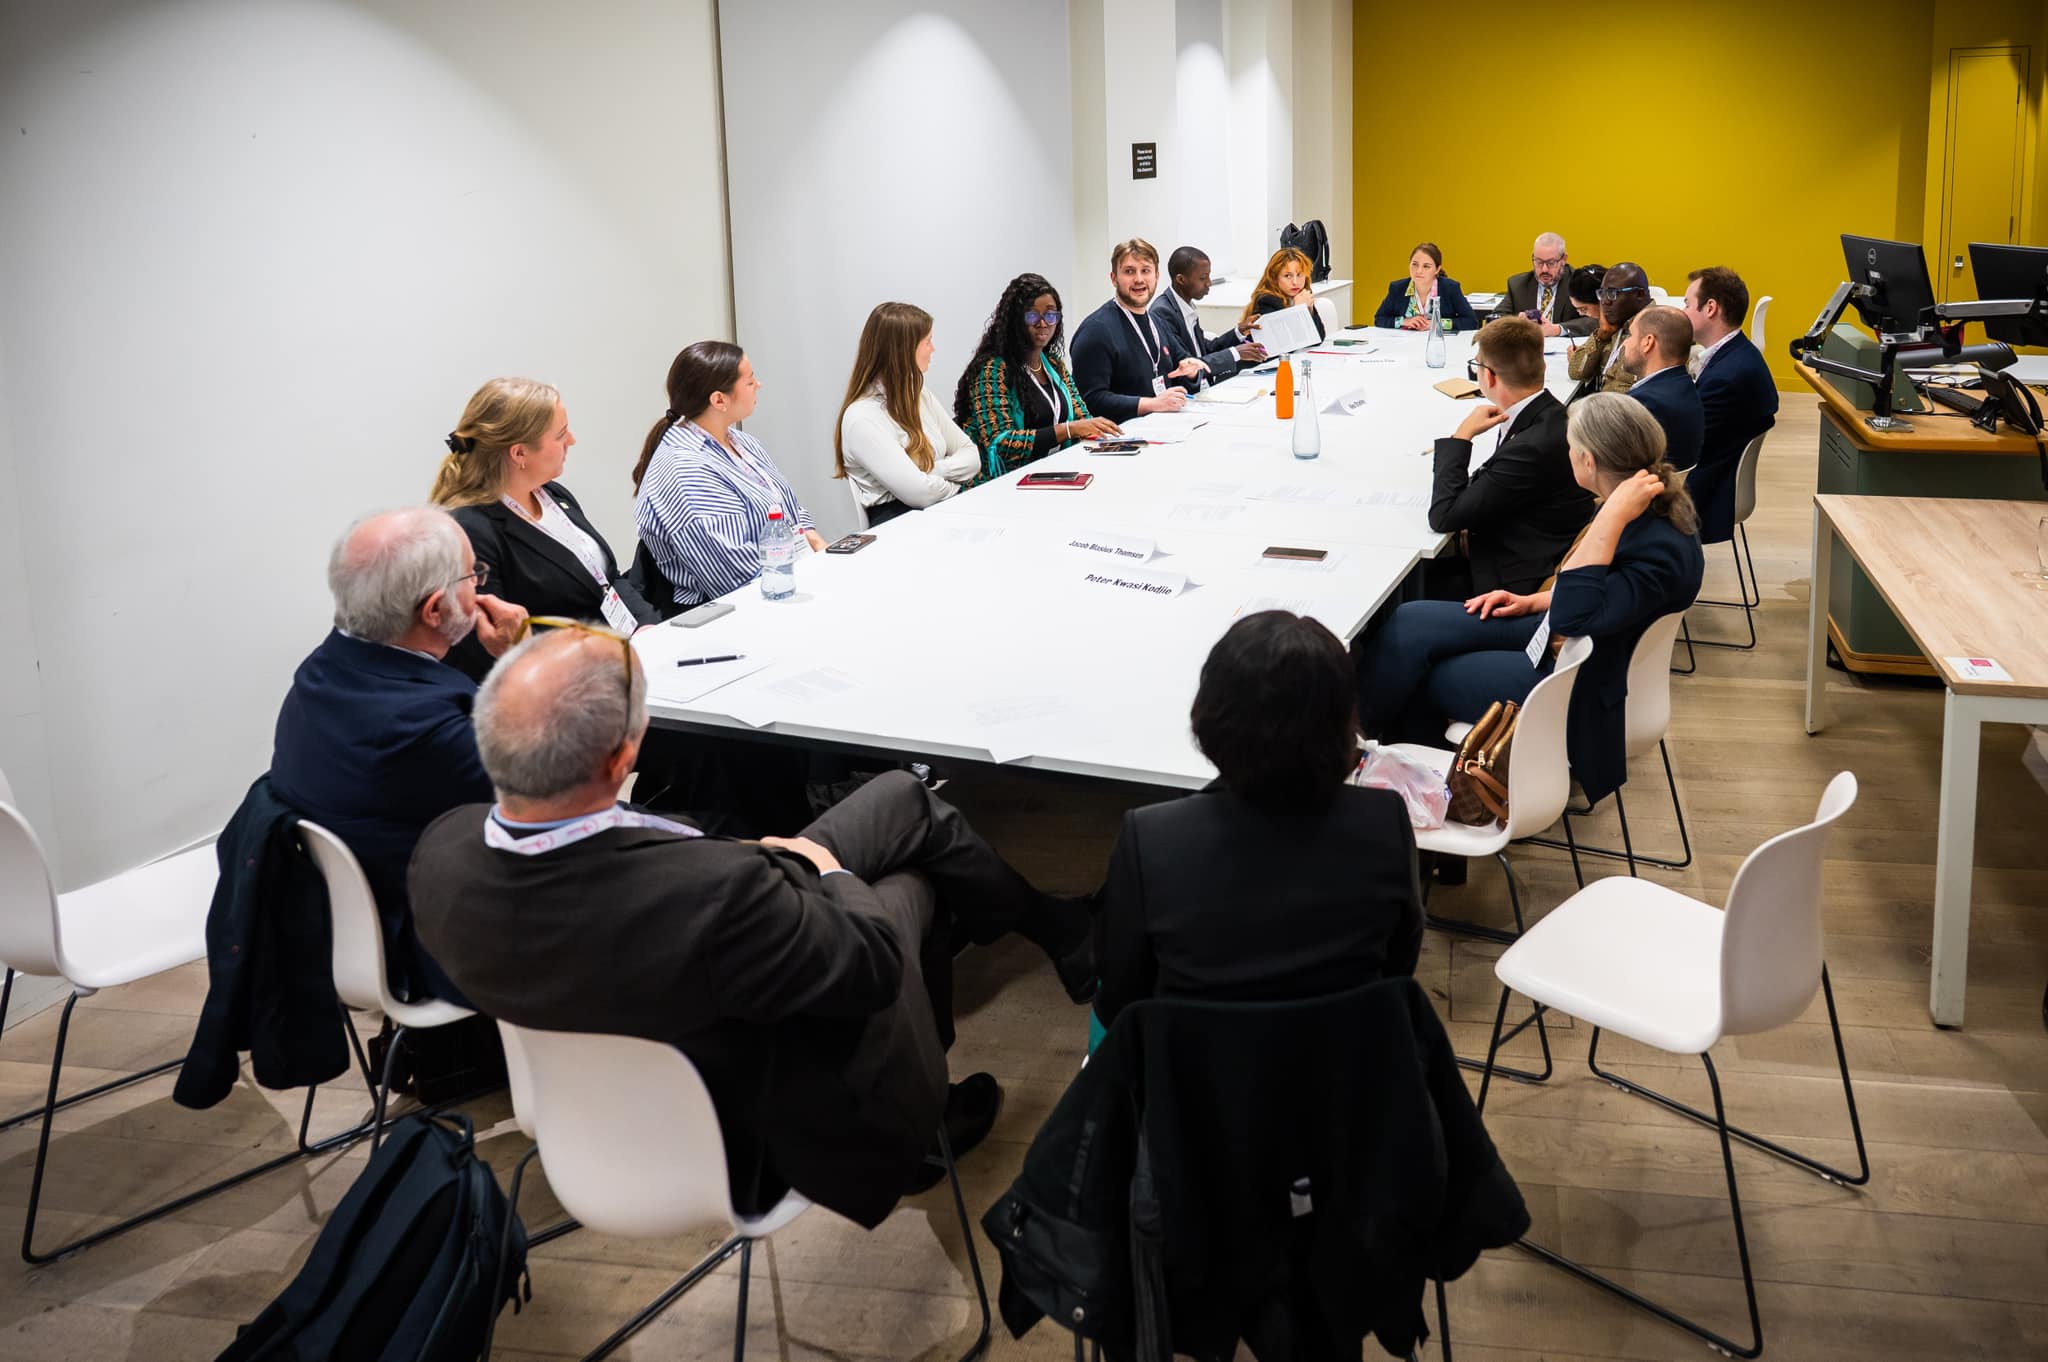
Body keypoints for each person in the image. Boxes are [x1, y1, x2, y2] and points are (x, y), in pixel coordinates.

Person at [408, 627, 1097, 1230]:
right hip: (748, 1129)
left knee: (900, 800)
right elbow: (871, 965)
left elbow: (637, 875)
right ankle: (923, 1121)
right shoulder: (715, 895)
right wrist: (830, 873)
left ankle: (1057, 932)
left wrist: (748, 857)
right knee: (911, 884)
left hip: (580, 1107)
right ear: (621, 762)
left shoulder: (442, 854)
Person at [1360, 393, 1706, 808]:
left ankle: (1427, 797)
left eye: (1570, 447)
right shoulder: (1644, 505)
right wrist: (1534, 601)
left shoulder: (1644, 530)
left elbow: (1577, 614)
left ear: (1588, 461)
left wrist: (1611, 517)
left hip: (1578, 673)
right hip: (1569, 633)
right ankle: (1356, 740)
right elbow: (1608, 593)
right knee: (1410, 621)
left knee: (1424, 676)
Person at [1091, 611, 1424, 1031]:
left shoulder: (1151, 839)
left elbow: (1119, 1002)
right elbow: (1397, 971)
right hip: (1347, 1062)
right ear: (1344, 721)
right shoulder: (1385, 821)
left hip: (1191, 1067)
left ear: (1210, 714)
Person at [270, 507, 527, 1004]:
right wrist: (518, 658)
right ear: (434, 610)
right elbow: (559, 795)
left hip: (357, 920)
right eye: (473, 575)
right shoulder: (424, 727)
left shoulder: (318, 675)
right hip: (447, 943)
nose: (480, 586)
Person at [430, 377, 657, 680]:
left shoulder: (552, 494)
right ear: (519, 453)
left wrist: (646, 628)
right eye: (561, 434)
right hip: (559, 681)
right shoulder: (471, 531)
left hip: (622, 657)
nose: (572, 440)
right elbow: (498, 641)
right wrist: (608, 653)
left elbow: (607, 578)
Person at [633, 342, 829, 611]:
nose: (758, 385)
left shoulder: (740, 441)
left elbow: (787, 507)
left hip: (787, 579)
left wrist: (815, 543)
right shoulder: (685, 471)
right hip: (733, 608)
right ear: (719, 400)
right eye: (749, 382)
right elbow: (735, 579)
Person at [1426, 317, 1595, 597]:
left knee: (1413, 591)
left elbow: (1443, 516)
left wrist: (1462, 436)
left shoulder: (1530, 447)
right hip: (1535, 545)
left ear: (1489, 376)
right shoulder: (1552, 413)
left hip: (1513, 579)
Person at [955, 272, 1120, 480]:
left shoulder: (1053, 365)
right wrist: (1067, 430)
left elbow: (1082, 418)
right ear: (1015, 319)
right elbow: (1000, 443)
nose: (1043, 323)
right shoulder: (992, 370)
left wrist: (1102, 435)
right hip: (1004, 481)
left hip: (1053, 471)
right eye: (1032, 315)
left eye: (1050, 315)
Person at [833, 302, 980, 526]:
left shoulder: (918, 394)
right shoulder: (861, 419)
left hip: (939, 511)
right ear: (903, 351)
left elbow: (971, 456)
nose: (933, 349)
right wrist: (956, 484)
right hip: (900, 525)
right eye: (928, 342)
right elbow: (920, 494)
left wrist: (934, 470)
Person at [1681, 266, 1779, 543]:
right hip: (1716, 474)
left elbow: (1687, 444)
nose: (1683, 312)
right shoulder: (1738, 355)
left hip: (1704, 492)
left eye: (1687, 304)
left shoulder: (1727, 377)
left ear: (1710, 308)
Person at [1070, 238, 1210, 421]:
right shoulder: (1096, 330)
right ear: (1114, 278)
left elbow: (1181, 371)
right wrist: (1151, 404)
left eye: (1145, 271)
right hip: (1120, 434)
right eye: (1129, 271)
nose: (1139, 279)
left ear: (1156, 276)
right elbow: (1090, 400)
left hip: (1165, 426)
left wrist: (1191, 374)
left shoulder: (1157, 323)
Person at [1151, 245, 1266, 381]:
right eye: (1203, 278)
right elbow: (1186, 364)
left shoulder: (1185, 304)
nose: (1209, 283)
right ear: (1181, 280)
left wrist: (1239, 331)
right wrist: (1235, 353)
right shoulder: (1163, 312)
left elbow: (1205, 349)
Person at [1621, 307, 1704, 470]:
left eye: (1629, 335)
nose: (1625, 343)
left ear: (1648, 342)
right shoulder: (1686, 386)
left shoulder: (1641, 405)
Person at [1566, 262, 1653, 397]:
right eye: (1603, 293)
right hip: (1601, 402)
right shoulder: (1616, 323)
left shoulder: (1656, 330)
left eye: (1613, 293)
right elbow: (1576, 371)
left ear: (1639, 294)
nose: (1605, 301)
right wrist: (1601, 335)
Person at [1493, 232, 1593, 337]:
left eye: (1551, 263)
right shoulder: (1518, 285)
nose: (1544, 269)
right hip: (1529, 345)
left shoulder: (1579, 282)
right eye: (1539, 262)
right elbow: (1496, 317)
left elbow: (1594, 320)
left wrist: (1558, 329)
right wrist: (1518, 322)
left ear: (1564, 259)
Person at [1373, 242, 1481, 331]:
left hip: (1440, 343)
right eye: (1414, 264)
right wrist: (1404, 321)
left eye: (1426, 266)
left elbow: (1471, 322)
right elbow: (1379, 319)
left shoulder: (1450, 288)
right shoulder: (1397, 288)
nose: (1419, 271)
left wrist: (1436, 324)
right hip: (1406, 343)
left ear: (1437, 269)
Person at [1238, 246, 1329, 345]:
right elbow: (1283, 344)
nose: (1295, 282)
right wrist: (1297, 310)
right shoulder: (1267, 301)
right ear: (1274, 278)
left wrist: (1309, 310)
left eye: (1299, 275)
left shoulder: (1301, 296)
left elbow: (1318, 338)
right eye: (1288, 276)